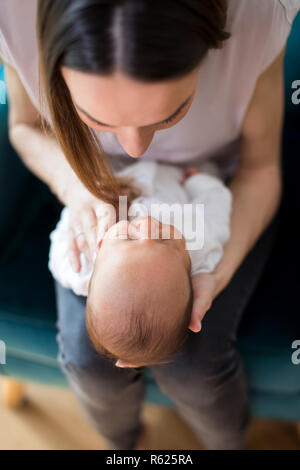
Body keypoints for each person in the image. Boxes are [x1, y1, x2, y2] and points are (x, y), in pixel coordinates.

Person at [1, 0, 299, 450]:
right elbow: (25, 129)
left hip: (220, 184)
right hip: (96, 195)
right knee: (87, 360)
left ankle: (226, 441)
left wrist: (213, 269)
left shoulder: (260, 14)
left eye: (171, 112)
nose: (135, 148)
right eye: (98, 119)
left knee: (194, 365)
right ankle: (123, 443)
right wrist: (79, 194)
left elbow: (253, 177)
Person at [48, 160, 232, 368]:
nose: (146, 226)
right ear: (189, 269)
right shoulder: (201, 246)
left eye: (127, 238)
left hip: (115, 169)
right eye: (164, 240)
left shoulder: (81, 269)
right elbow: (217, 205)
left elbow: (61, 250)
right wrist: (199, 181)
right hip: (178, 171)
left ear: (98, 260)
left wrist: (77, 220)